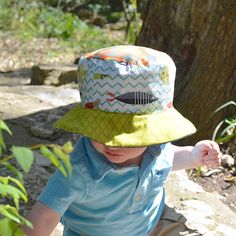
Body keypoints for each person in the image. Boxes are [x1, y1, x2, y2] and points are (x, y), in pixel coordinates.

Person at [23, 45, 221, 236]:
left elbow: (170, 158)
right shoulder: (78, 170)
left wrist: (194, 156)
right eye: (102, 131)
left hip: (154, 225)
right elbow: (44, 216)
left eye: (128, 136)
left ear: (153, 131)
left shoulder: (155, 148)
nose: (112, 142)